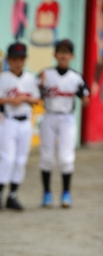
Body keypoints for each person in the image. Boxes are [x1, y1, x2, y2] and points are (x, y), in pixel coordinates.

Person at [0, 42, 40, 211]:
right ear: (8, 60)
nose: (18, 62)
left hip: (25, 121)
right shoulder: (3, 77)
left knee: (20, 160)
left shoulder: (30, 78)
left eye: (21, 58)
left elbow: (36, 99)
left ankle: (13, 195)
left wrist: (24, 99)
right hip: (8, 120)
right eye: (15, 59)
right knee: (7, 158)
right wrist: (11, 100)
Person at [38, 39, 90, 208]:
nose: (63, 54)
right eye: (60, 51)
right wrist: (39, 85)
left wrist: (85, 98)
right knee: (46, 157)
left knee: (66, 159)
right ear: (55, 54)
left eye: (67, 52)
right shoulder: (45, 74)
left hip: (67, 118)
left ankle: (66, 193)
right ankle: (47, 193)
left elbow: (86, 98)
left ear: (72, 56)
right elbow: (36, 93)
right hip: (49, 116)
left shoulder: (76, 77)